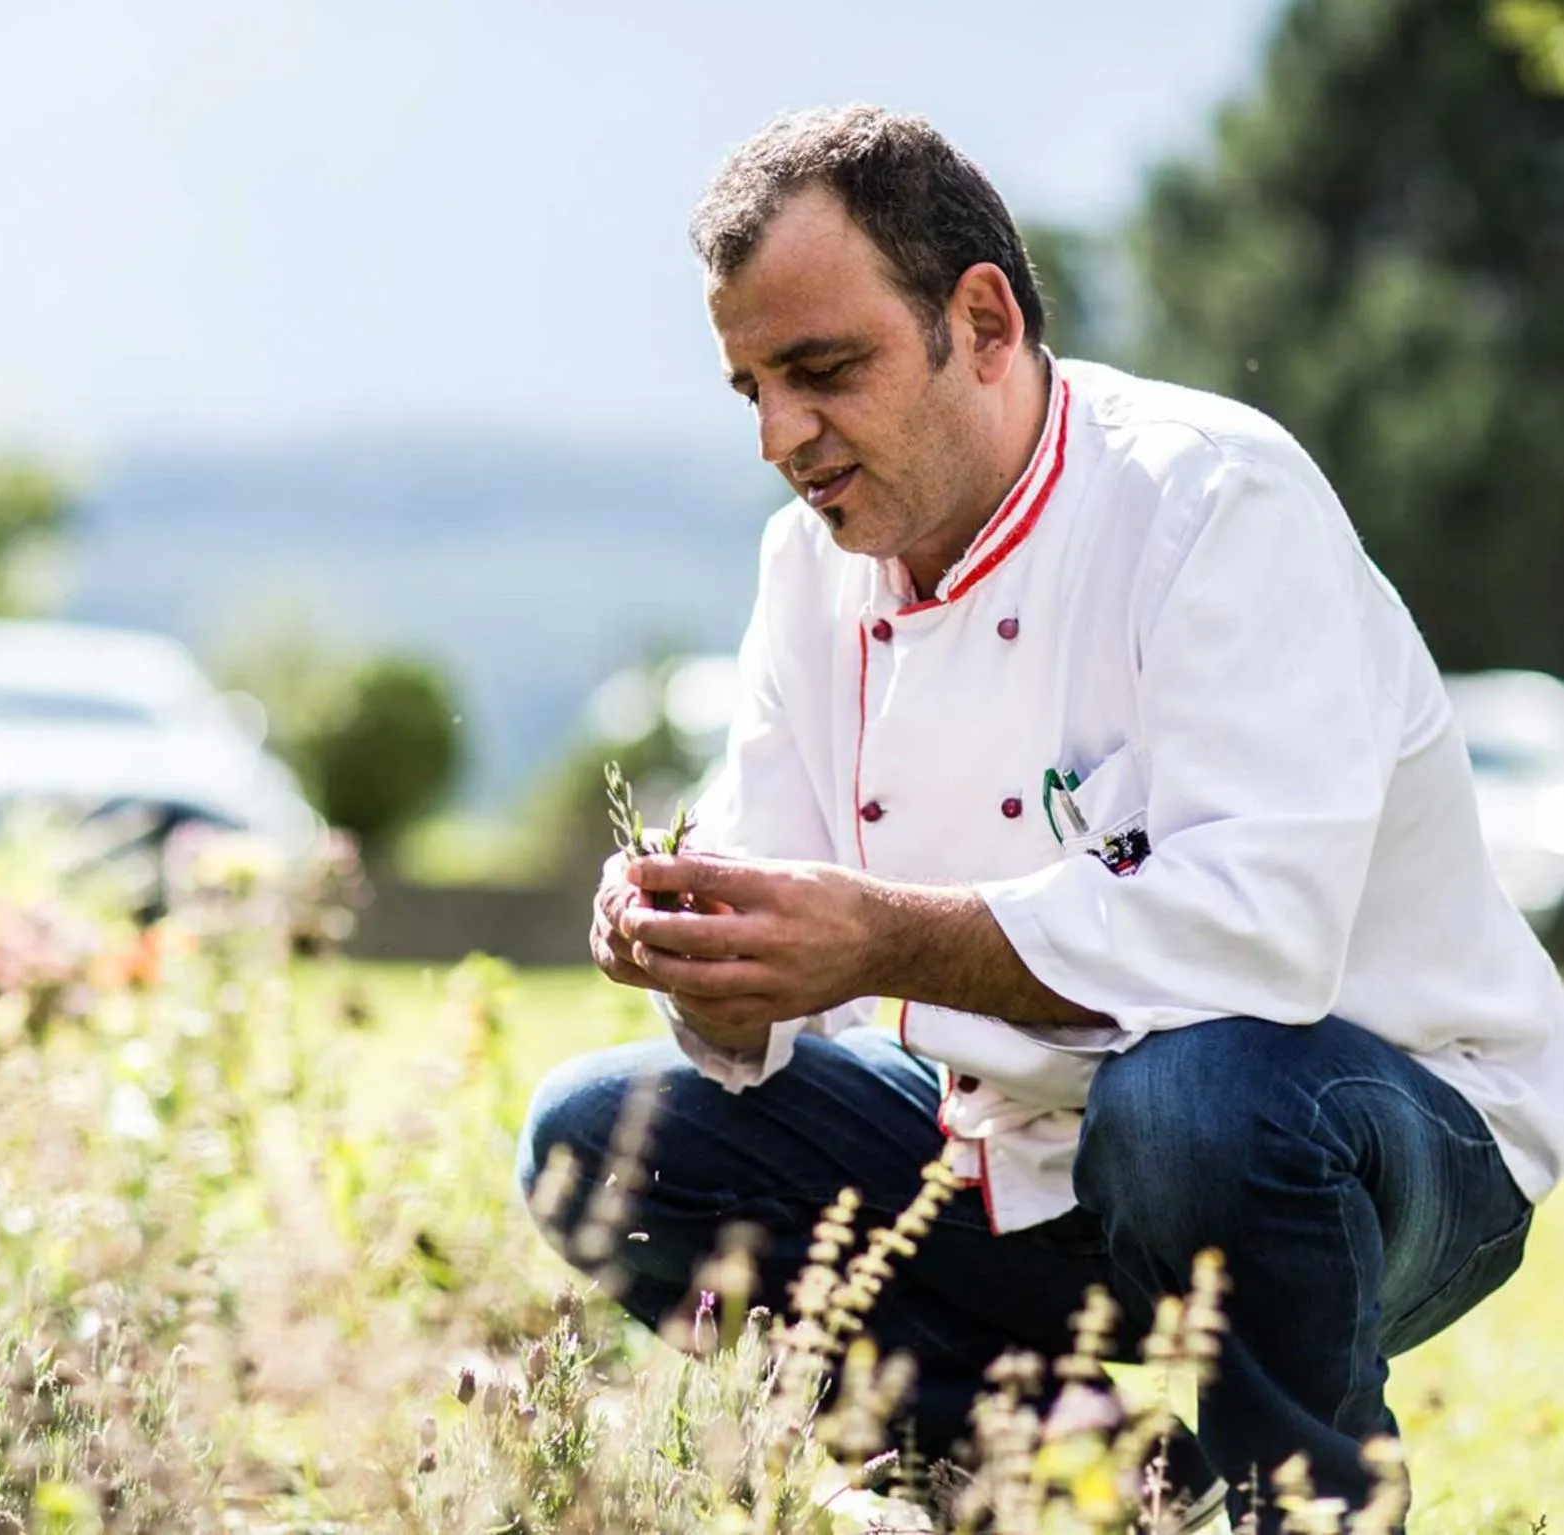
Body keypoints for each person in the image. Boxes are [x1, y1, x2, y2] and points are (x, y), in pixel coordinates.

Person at [516, 106, 1562, 1527]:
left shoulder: (1212, 499)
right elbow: (789, 971)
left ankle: (1306, 1507)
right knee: (598, 1137)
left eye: (822, 370)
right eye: (750, 387)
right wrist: (704, 951)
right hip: (1017, 1150)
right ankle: (1073, 1481)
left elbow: (1262, 940)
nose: (779, 436)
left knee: (1190, 1096)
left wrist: (879, 937)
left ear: (984, 322)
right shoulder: (805, 570)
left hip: (1389, 1137)